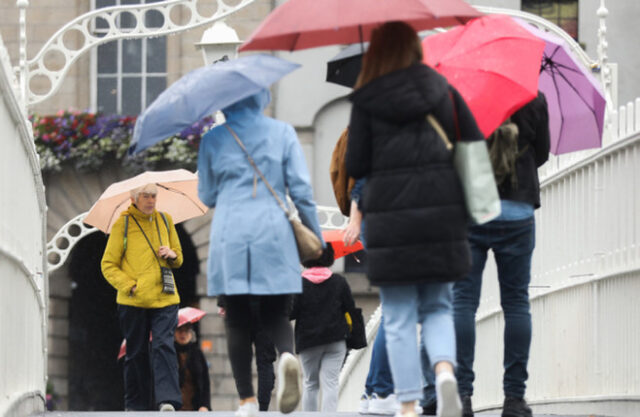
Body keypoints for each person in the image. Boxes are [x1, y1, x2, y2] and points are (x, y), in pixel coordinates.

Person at [345, 21, 484, 417]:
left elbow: (356, 163)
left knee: (400, 314)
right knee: (439, 305)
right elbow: (472, 145)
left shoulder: (366, 99)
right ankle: (443, 373)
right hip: (442, 211)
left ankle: (407, 405)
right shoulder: (443, 89)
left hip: (389, 218)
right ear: (414, 48)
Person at [197, 89, 325, 417]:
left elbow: (208, 195)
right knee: (276, 312)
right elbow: (300, 190)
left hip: (232, 232)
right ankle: (286, 356)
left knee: (237, 318)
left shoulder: (213, 140)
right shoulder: (282, 133)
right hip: (275, 231)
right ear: (261, 99)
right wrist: (316, 240)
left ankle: (247, 402)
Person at [453, 92, 550, 417]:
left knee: (463, 302)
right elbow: (542, 154)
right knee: (516, 302)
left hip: (474, 204)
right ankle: (514, 399)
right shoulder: (534, 98)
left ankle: (462, 396)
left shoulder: (465, 95)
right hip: (518, 207)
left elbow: (454, 151)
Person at [101, 183, 184, 411]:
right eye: (146, 196)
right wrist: (129, 285)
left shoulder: (165, 220)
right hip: (133, 300)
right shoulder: (123, 225)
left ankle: (168, 400)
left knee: (163, 346)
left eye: (154, 196)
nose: (151, 200)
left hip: (165, 298)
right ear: (135, 198)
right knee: (136, 352)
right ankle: (136, 405)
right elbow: (108, 265)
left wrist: (172, 254)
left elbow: (179, 259)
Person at [290, 243, 355, 412]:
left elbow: (291, 312)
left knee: (310, 384)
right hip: (336, 339)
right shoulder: (339, 282)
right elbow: (350, 308)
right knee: (331, 384)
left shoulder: (299, 283)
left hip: (308, 341)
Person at [218, 296, 278, 411]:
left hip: (241, 307)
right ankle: (263, 408)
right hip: (266, 308)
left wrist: (222, 302)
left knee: (241, 360)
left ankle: (246, 401)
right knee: (266, 362)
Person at [174, 322, 211, 411]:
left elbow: (205, 381)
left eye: (186, 331)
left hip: (195, 407)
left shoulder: (197, 353)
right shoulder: (170, 353)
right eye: (179, 330)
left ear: (191, 334)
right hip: (174, 408)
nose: (183, 334)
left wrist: (205, 405)